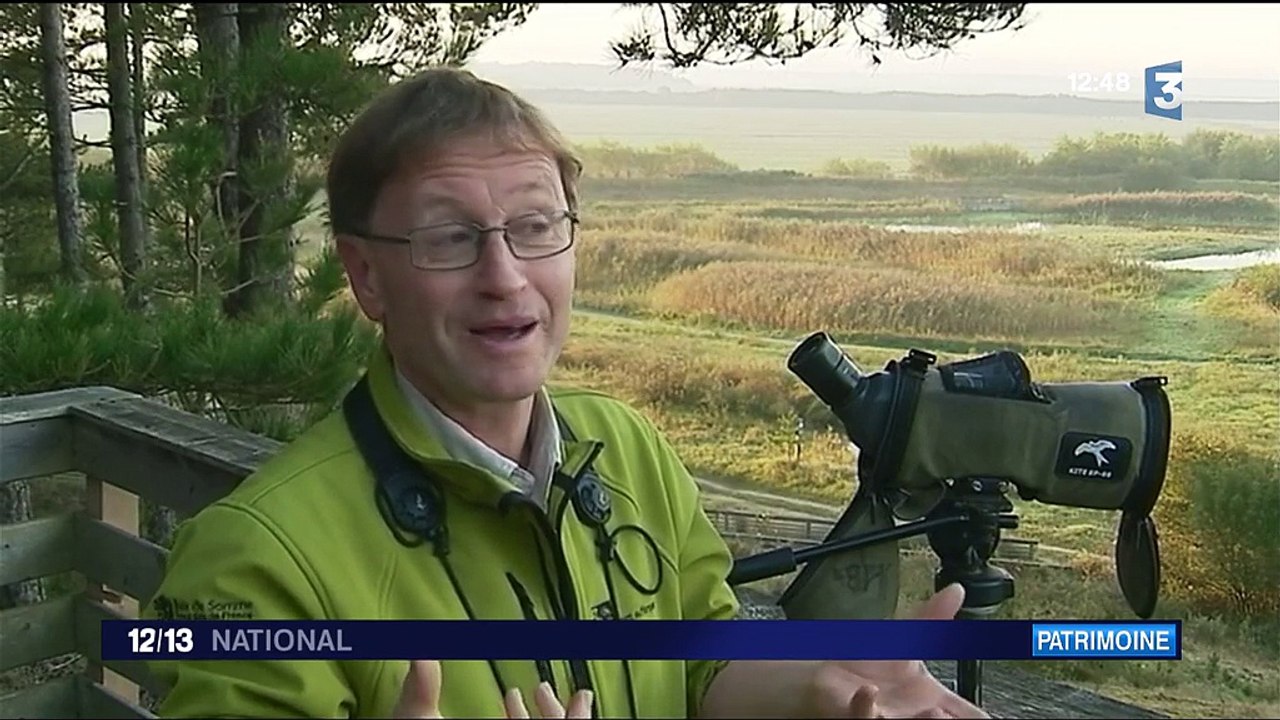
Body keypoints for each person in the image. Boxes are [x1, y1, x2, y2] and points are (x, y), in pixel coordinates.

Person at [141, 66, 986, 719]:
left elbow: (700, 662)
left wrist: (817, 692)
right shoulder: (256, 563)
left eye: (535, 227)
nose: (505, 278)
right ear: (366, 275)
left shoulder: (624, 449)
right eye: (449, 237)